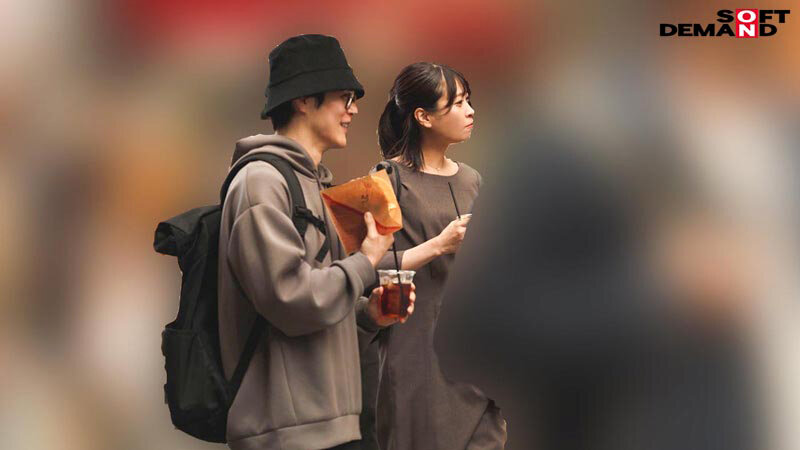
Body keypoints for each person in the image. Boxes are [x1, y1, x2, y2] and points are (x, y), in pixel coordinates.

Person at [217, 34, 415, 450]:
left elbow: (317, 302)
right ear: (304, 100)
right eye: (344, 97)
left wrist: (367, 315)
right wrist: (365, 261)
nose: (353, 110)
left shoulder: (315, 186)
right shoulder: (260, 183)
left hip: (331, 429)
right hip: (290, 435)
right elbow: (289, 298)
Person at [361, 62, 506, 450]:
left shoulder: (472, 179)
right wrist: (438, 245)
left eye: (468, 100)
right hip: (417, 354)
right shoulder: (384, 179)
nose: (470, 111)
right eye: (457, 103)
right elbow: (363, 270)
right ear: (423, 116)